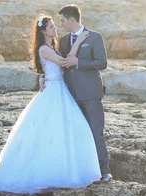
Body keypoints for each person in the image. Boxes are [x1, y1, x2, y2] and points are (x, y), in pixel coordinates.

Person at [0, 16, 101, 194]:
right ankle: (48, 172)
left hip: (60, 88)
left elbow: (55, 68)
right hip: (53, 91)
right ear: (43, 31)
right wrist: (79, 42)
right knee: (49, 130)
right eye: (51, 27)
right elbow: (63, 62)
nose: (55, 29)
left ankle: (67, 168)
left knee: (66, 130)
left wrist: (43, 76)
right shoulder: (44, 49)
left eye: (54, 26)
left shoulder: (51, 47)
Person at [56, 4, 112, 183]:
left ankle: (105, 171)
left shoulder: (95, 37)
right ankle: (82, 170)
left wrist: (78, 62)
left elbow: (102, 63)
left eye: (63, 21)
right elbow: (60, 63)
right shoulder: (64, 41)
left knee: (96, 133)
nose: (61, 25)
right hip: (71, 96)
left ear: (72, 19)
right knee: (77, 134)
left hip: (91, 94)